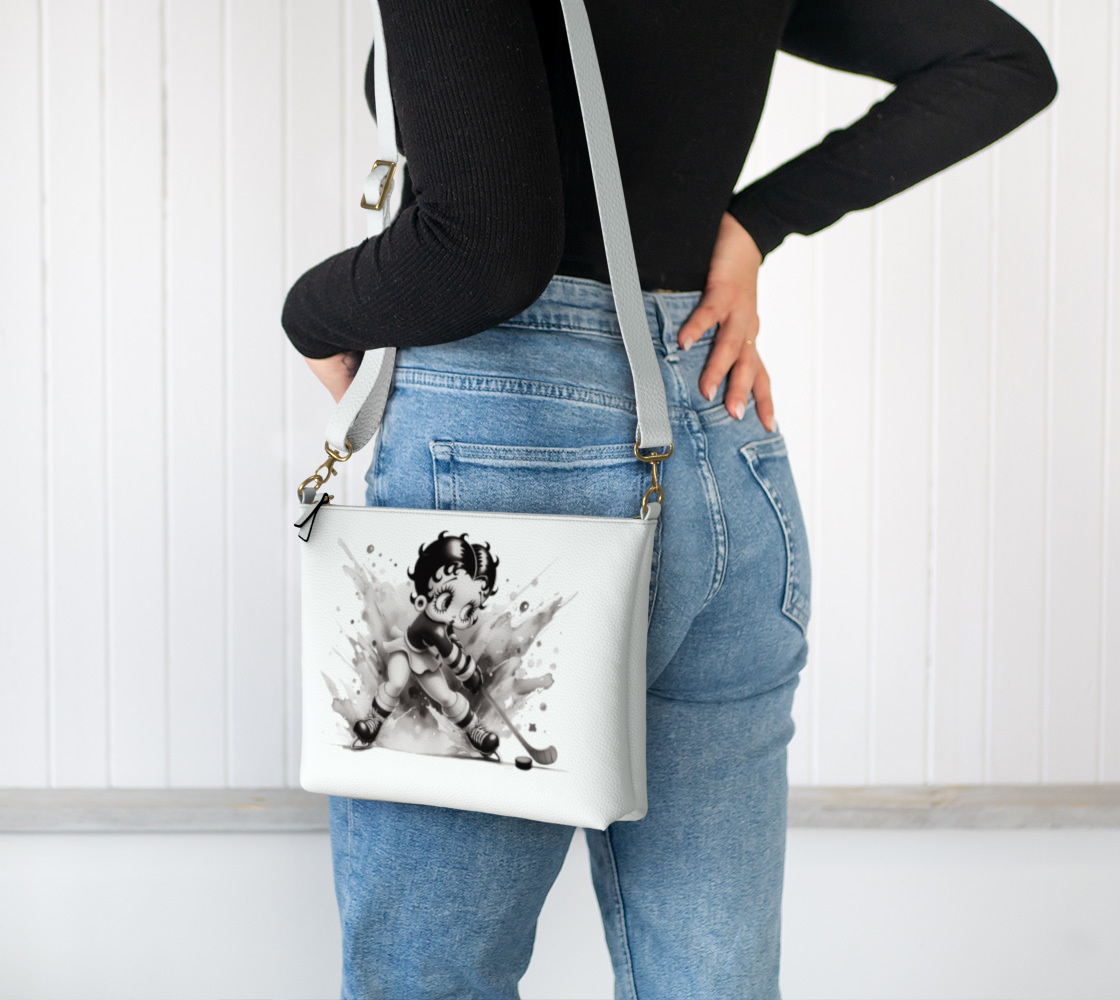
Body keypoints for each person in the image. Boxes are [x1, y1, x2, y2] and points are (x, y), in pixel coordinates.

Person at [281, 1, 1057, 996]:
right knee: (708, 974)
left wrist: (310, 313)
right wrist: (751, 225)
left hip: (508, 460)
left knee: (431, 977)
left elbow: (480, 247)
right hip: (719, 432)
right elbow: (997, 58)